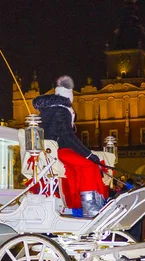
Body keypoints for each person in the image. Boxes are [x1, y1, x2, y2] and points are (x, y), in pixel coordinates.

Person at [32, 75, 107, 218]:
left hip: (52, 149)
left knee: (89, 163)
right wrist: (89, 155)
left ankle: (94, 202)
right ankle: (90, 206)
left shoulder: (48, 109)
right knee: (89, 165)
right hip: (58, 151)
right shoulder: (63, 110)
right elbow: (68, 136)